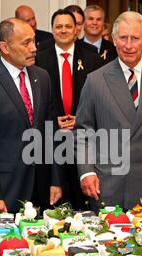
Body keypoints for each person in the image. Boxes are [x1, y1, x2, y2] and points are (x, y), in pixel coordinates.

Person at [74, 11, 142, 211]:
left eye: (135, 38)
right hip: (107, 184)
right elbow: (83, 132)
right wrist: (86, 172)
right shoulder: (95, 80)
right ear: (113, 40)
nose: (128, 45)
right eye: (123, 38)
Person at [0, 18, 62, 214]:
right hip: (4, 190)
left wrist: (55, 180)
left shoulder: (42, 77)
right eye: (26, 43)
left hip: (41, 189)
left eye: (34, 41)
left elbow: (51, 133)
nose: (34, 48)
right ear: (5, 47)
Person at [35, 9, 102, 210]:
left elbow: (96, 97)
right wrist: (55, 120)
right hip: (50, 138)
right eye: (59, 26)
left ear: (76, 30)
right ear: (52, 30)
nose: (63, 30)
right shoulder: (40, 57)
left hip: (83, 137)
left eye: (68, 26)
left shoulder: (91, 57)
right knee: (53, 197)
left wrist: (79, 119)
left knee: (80, 198)